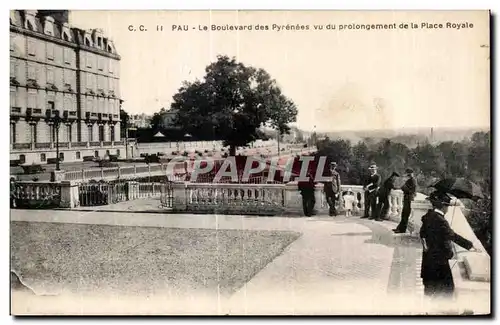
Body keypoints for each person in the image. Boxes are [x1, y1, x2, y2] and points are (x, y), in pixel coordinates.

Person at [419, 191, 479, 299]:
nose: (447, 209)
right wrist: (470, 246)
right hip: (439, 263)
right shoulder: (440, 221)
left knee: (429, 292)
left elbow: (422, 235)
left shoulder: (428, 216)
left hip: (428, 261)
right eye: (447, 206)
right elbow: (453, 236)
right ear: (443, 207)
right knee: (446, 291)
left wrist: (426, 248)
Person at [394, 168, 417, 233]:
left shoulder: (412, 180)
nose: (406, 175)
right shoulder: (410, 180)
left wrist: (404, 188)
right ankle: (400, 228)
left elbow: (412, 191)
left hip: (409, 198)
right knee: (404, 214)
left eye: (407, 174)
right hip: (407, 198)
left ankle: (402, 229)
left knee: (405, 214)